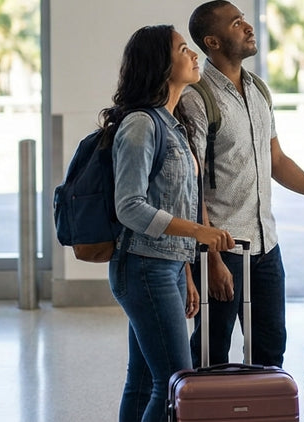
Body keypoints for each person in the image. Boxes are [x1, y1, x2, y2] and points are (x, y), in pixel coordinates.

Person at [183, 0, 304, 368]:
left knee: (270, 350)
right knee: (210, 352)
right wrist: (213, 258)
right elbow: (192, 184)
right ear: (212, 41)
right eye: (236, 24)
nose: (248, 27)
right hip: (222, 248)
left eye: (244, 20)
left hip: (266, 247)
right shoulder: (197, 98)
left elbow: (276, 161)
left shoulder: (258, 90)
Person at [104, 24, 235, 422]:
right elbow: (130, 207)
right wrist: (199, 232)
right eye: (183, 48)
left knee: (144, 381)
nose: (194, 54)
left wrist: (187, 272)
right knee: (177, 382)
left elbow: (175, 200)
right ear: (162, 64)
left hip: (166, 267)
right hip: (144, 267)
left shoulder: (173, 123)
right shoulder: (142, 124)